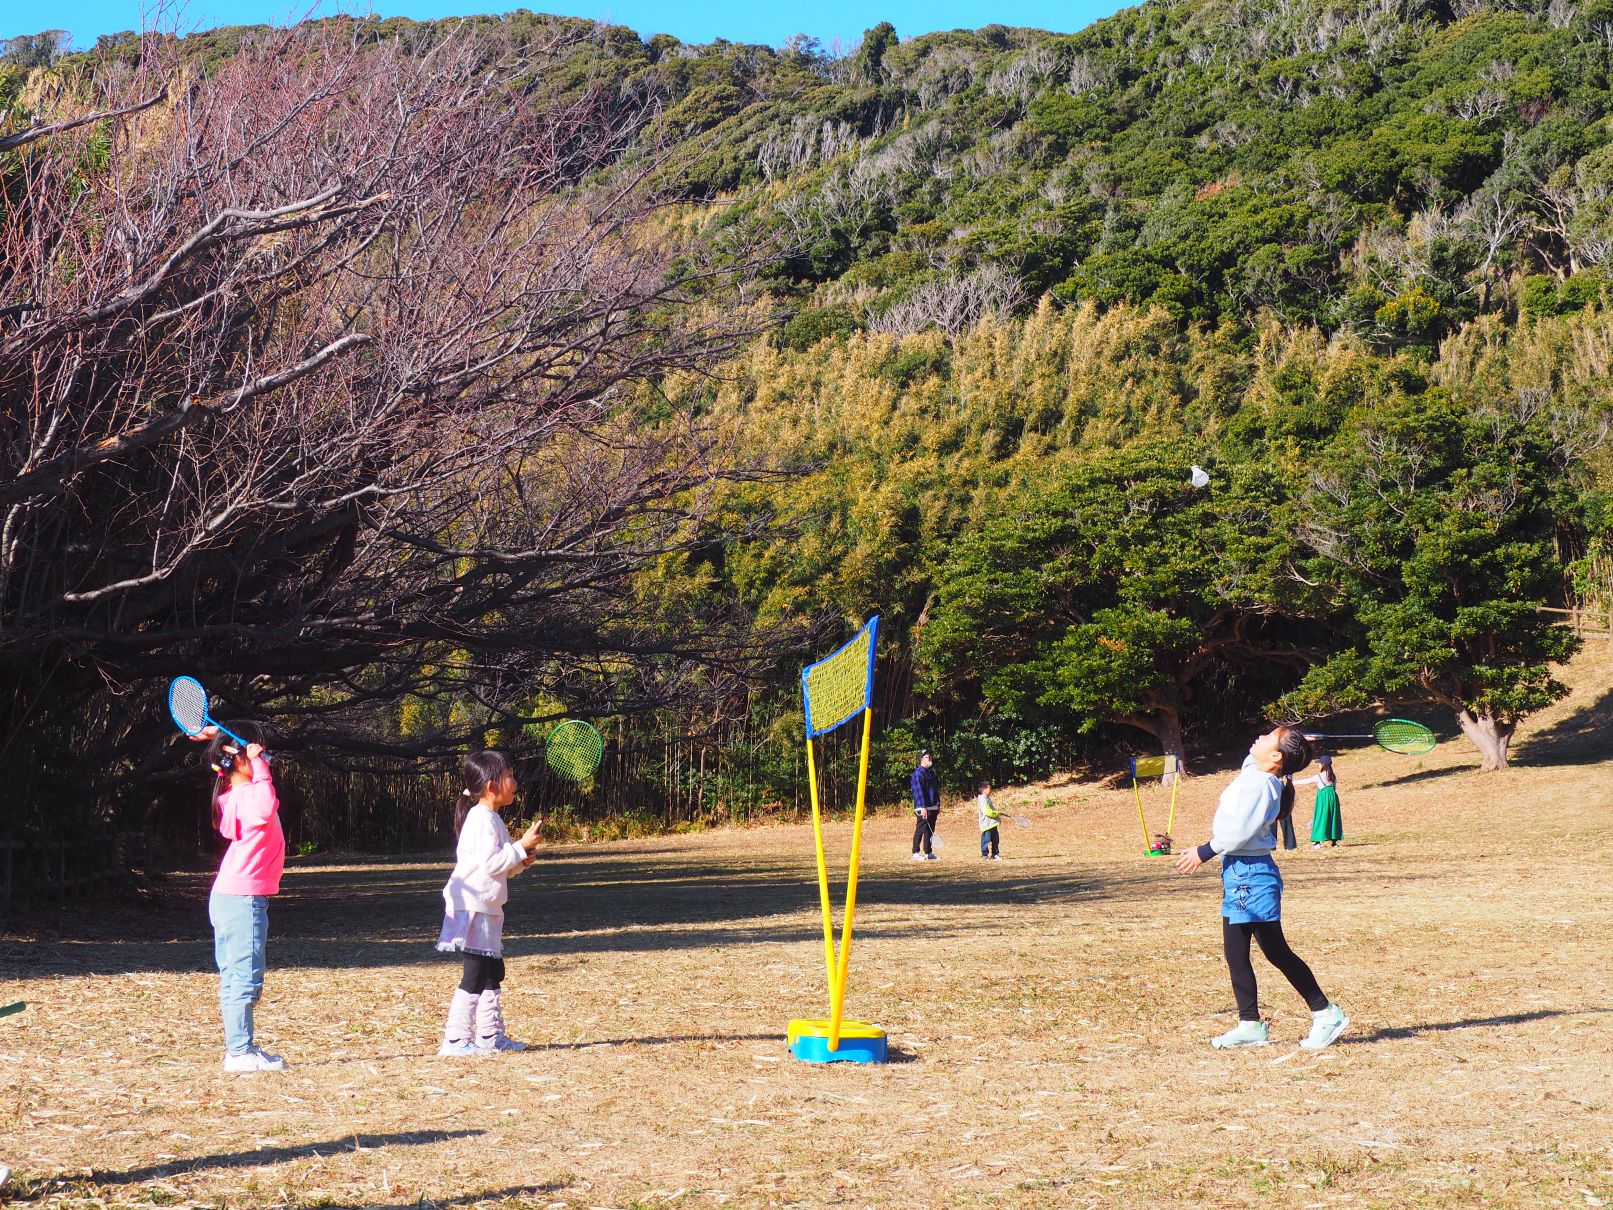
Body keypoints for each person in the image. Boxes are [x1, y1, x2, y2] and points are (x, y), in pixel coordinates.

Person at [1173, 726, 1349, 1050]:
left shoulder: (1263, 785)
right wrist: (1300, 747)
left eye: (1268, 737)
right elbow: (1253, 761)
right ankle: (1250, 1025)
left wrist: (1204, 851)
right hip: (1238, 872)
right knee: (1235, 952)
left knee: (1276, 951)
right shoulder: (1258, 774)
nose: (1259, 737)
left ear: (1276, 756)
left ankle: (1326, 1013)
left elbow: (1240, 832)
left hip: (1252, 875)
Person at [437, 750, 543, 1056]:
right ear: (491, 785)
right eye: (509, 775)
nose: (516, 782)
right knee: (476, 972)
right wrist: (520, 847)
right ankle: (456, 1040)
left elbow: (502, 865)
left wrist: (523, 859)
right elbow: (490, 865)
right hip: (475, 906)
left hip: (488, 906)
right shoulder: (481, 819)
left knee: (493, 971)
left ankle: (489, 1037)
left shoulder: (491, 818)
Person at [202, 722, 288, 1072]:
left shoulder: (236, 794)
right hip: (241, 899)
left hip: (230, 896)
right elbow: (266, 806)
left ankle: (241, 1048)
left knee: (234, 975)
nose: (263, 756)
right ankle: (240, 1053)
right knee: (245, 977)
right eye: (255, 750)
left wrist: (220, 741)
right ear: (239, 760)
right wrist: (260, 767)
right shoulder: (251, 794)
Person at [1296, 754, 1343, 848]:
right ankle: (1334, 842)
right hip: (1333, 799)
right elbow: (1333, 788)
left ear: (1323, 764)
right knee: (1333, 819)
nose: (1318, 765)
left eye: (1319, 763)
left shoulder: (1320, 776)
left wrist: (1291, 783)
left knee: (1319, 818)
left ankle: (1317, 842)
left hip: (1323, 800)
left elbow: (1306, 781)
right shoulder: (1333, 776)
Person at [910, 749, 940, 861]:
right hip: (922, 806)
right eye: (928, 757)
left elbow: (935, 790)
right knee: (920, 829)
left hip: (933, 806)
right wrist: (922, 807)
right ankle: (915, 853)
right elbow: (918, 792)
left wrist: (938, 803)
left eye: (930, 757)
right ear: (921, 760)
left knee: (930, 830)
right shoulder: (917, 774)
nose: (930, 759)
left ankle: (928, 852)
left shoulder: (931, 773)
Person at [976, 779, 1002, 860]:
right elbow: (987, 812)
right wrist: (996, 813)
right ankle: (984, 855)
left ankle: (995, 854)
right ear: (984, 790)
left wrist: (996, 813)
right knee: (986, 840)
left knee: (995, 840)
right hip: (987, 825)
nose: (991, 790)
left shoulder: (987, 798)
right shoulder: (982, 799)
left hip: (992, 823)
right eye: (989, 788)